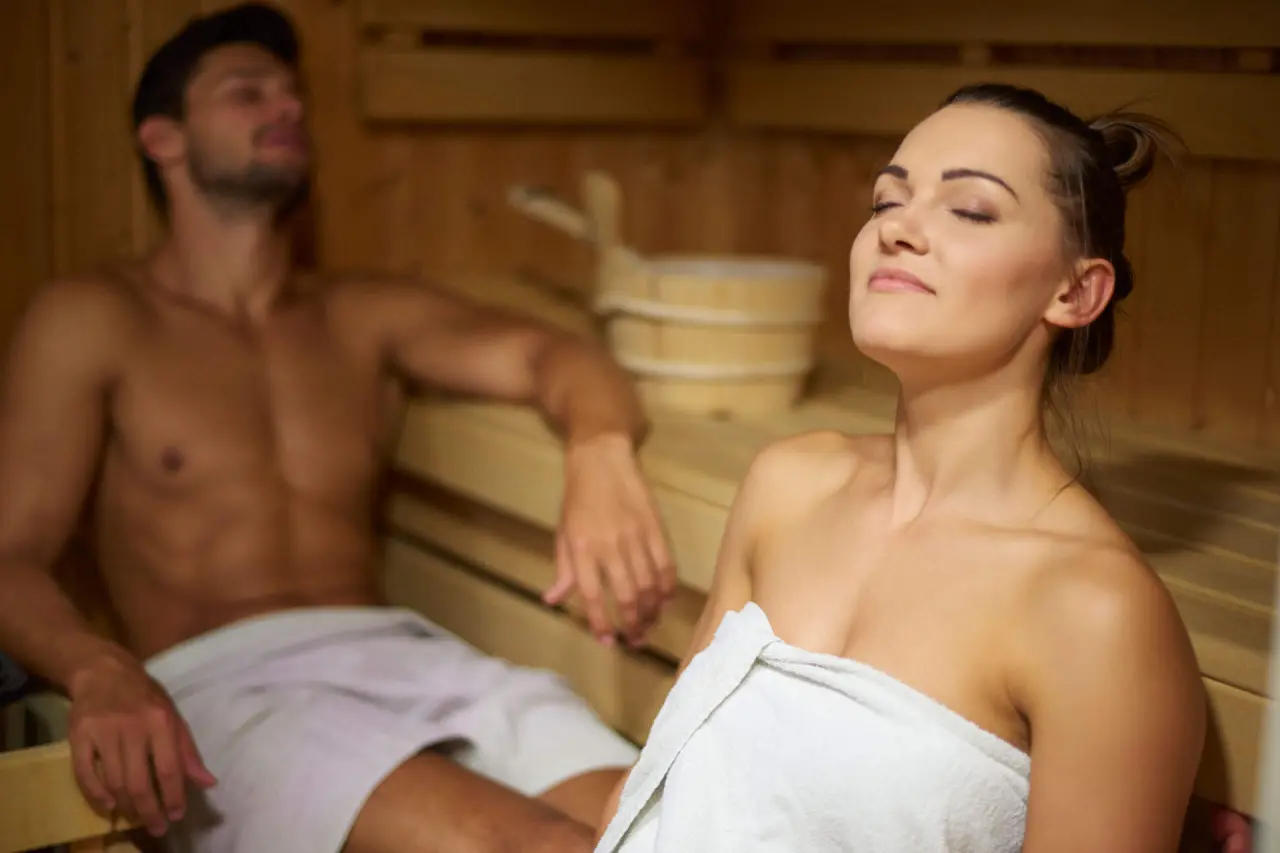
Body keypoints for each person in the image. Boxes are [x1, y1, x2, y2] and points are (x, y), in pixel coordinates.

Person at [0, 4, 676, 852]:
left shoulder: (357, 315)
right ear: (162, 138)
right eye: (247, 92)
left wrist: (600, 451)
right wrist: (99, 669)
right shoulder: (93, 319)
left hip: (407, 654)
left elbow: (556, 356)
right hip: (225, 689)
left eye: (292, 94)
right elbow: (9, 554)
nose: (286, 106)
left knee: (681, 827)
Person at [593, 83, 1213, 853]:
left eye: (971, 210)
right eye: (887, 201)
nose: (898, 229)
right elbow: (659, 777)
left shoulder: (1091, 610)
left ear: (1076, 291)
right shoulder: (790, 484)